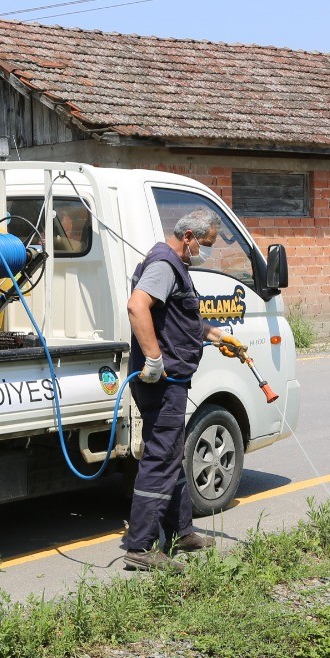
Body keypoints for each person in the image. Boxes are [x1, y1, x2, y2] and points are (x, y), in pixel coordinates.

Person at [123, 208, 245, 571]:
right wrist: (153, 358)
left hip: (172, 381)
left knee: (173, 451)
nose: (204, 252)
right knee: (161, 457)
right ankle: (141, 547)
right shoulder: (164, 264)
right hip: (163, 383)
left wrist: (216, 335)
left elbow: (179, 317)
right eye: (204, 244)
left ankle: (179, 530)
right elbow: (137, 306)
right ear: (188, 237)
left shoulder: (175, 266)